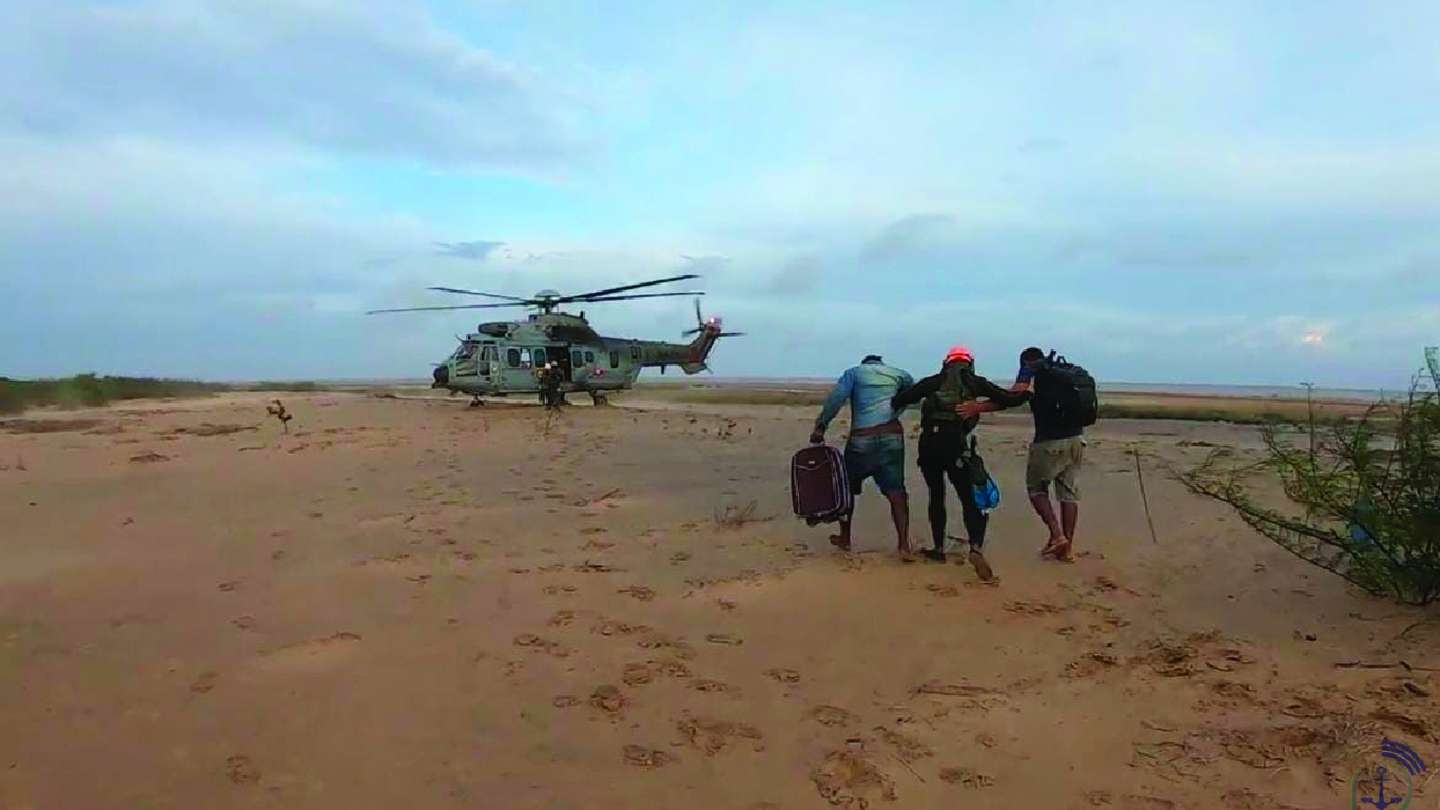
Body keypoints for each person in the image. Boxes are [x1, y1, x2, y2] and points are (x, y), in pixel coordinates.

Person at [891, 346, 1030, 581]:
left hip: (929, 446)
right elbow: (1008, 399)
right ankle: (975, 547)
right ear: (969, 363)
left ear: (946, 362)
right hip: (956, 445)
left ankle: (938, 549)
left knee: (937, 495)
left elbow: (900, 399)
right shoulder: (975, 382)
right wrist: (1028, 393)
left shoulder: (932, 382)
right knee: (969, 497)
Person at [961, 347, 1085, 561]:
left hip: (1048, 442)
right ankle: (1067, 548)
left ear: (1026, 361)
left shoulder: (1031, 372)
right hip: (1077, 440)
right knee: (1068, 494)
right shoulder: (1067, 371)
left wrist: (977, 408)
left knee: (1036, 489)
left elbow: (1012, 399)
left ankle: (1057, 536)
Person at [810, 354, 916, 561]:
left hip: (862, 439)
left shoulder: (854, 373)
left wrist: (821, 426)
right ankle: (904, 545)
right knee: (897, 493)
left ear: (865, 362)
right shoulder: (900, 375)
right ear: (880, 363)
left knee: (846, 489)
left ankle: (845, 538)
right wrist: (896, 410)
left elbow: (836, 399)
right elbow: (912, 395)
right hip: (892, 438)